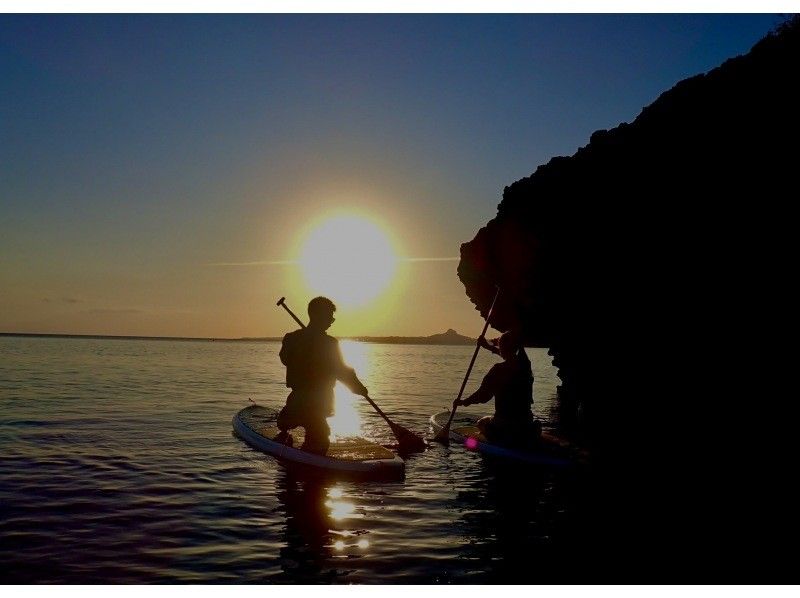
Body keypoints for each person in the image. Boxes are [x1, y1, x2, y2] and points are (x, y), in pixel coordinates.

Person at [276, 296, 368, 454]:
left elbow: (341, 370)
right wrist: (305, 346)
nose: (332, 320)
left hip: (319, 400)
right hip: (303, 399)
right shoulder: (294, 339)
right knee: (318, 437)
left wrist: (357, 387)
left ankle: (291, 420)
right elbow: (285, 358)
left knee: (311, 427)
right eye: (329, 316)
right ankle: (290, 422)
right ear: (318, 315)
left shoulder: (326, 342)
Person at [453, 330, 541, 446]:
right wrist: (488, 347)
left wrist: (464, 402)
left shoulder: (498, 370)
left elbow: (483, 397)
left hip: (504, 428)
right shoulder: (525, 366)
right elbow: (510, 355)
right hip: (526, 425)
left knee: (481, 423)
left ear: (502, 347)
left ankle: (502, 438)